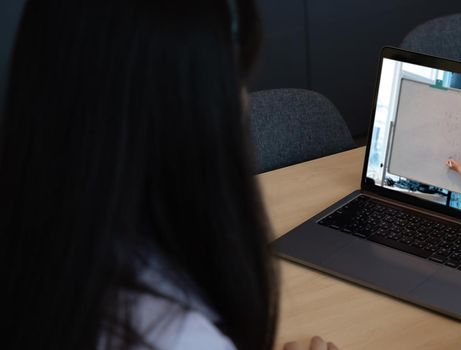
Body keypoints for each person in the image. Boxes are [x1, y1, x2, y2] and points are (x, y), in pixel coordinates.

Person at [0, 0, 337, 349]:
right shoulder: (175, 335)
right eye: (234, 79)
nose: (245, 102)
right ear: (188, 112)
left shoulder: (44, 259)